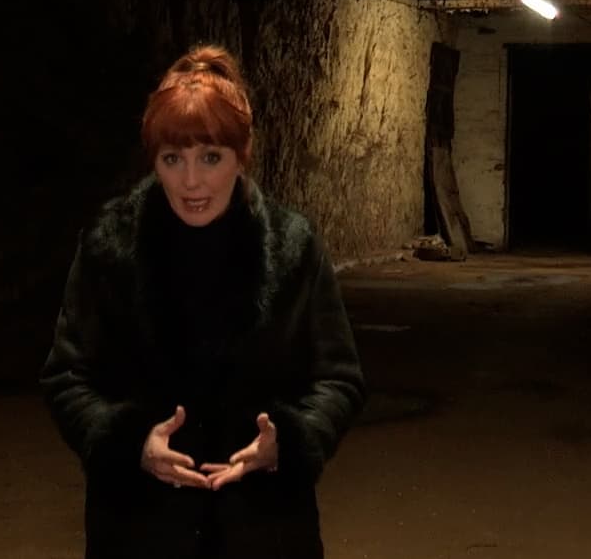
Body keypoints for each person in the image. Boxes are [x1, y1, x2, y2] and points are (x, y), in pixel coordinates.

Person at [39, 45, 367, 559]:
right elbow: (67, 375)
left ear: (241, 155)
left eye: (210, 157)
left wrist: (289, 442)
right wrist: (131, 444)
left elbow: (338, 378)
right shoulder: (110, 247)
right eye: (173, 159)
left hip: (265, 531)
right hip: (140, 531)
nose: (191, 182)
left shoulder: (293, 247)